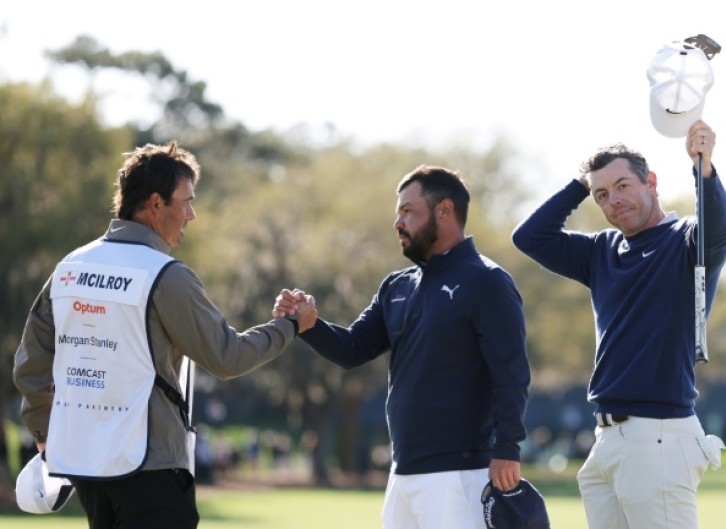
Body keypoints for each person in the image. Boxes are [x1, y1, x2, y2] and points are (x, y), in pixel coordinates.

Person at [12, 141, 317, 528]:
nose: (192, 214)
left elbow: (30, 365)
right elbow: (227, 357)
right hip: (151, 468)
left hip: (88, 468)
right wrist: (290, 326)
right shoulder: (166, 275)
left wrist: (44, 435)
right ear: (156, 204)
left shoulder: (69, 267)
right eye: (186, 201)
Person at [274, 165, 531, 529]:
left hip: (460, 475)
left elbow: (512, 374)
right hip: (402, 474)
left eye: (408, 211)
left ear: (444, 210)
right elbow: (352, 349)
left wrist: (508, 450)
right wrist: (308, 324)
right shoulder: (396, 285)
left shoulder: (487, 281)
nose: (398, 222)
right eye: (398, 213)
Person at [511, 120, 726, 529]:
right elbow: (529, 238)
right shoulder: (601, 250)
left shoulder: (686, 241)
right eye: (601, 194)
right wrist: (581, 183)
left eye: (623, 186)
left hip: (659, 438)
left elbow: (719, 225)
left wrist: (703, 169)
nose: (613, 200)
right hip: (608, 441)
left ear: (650, 181)